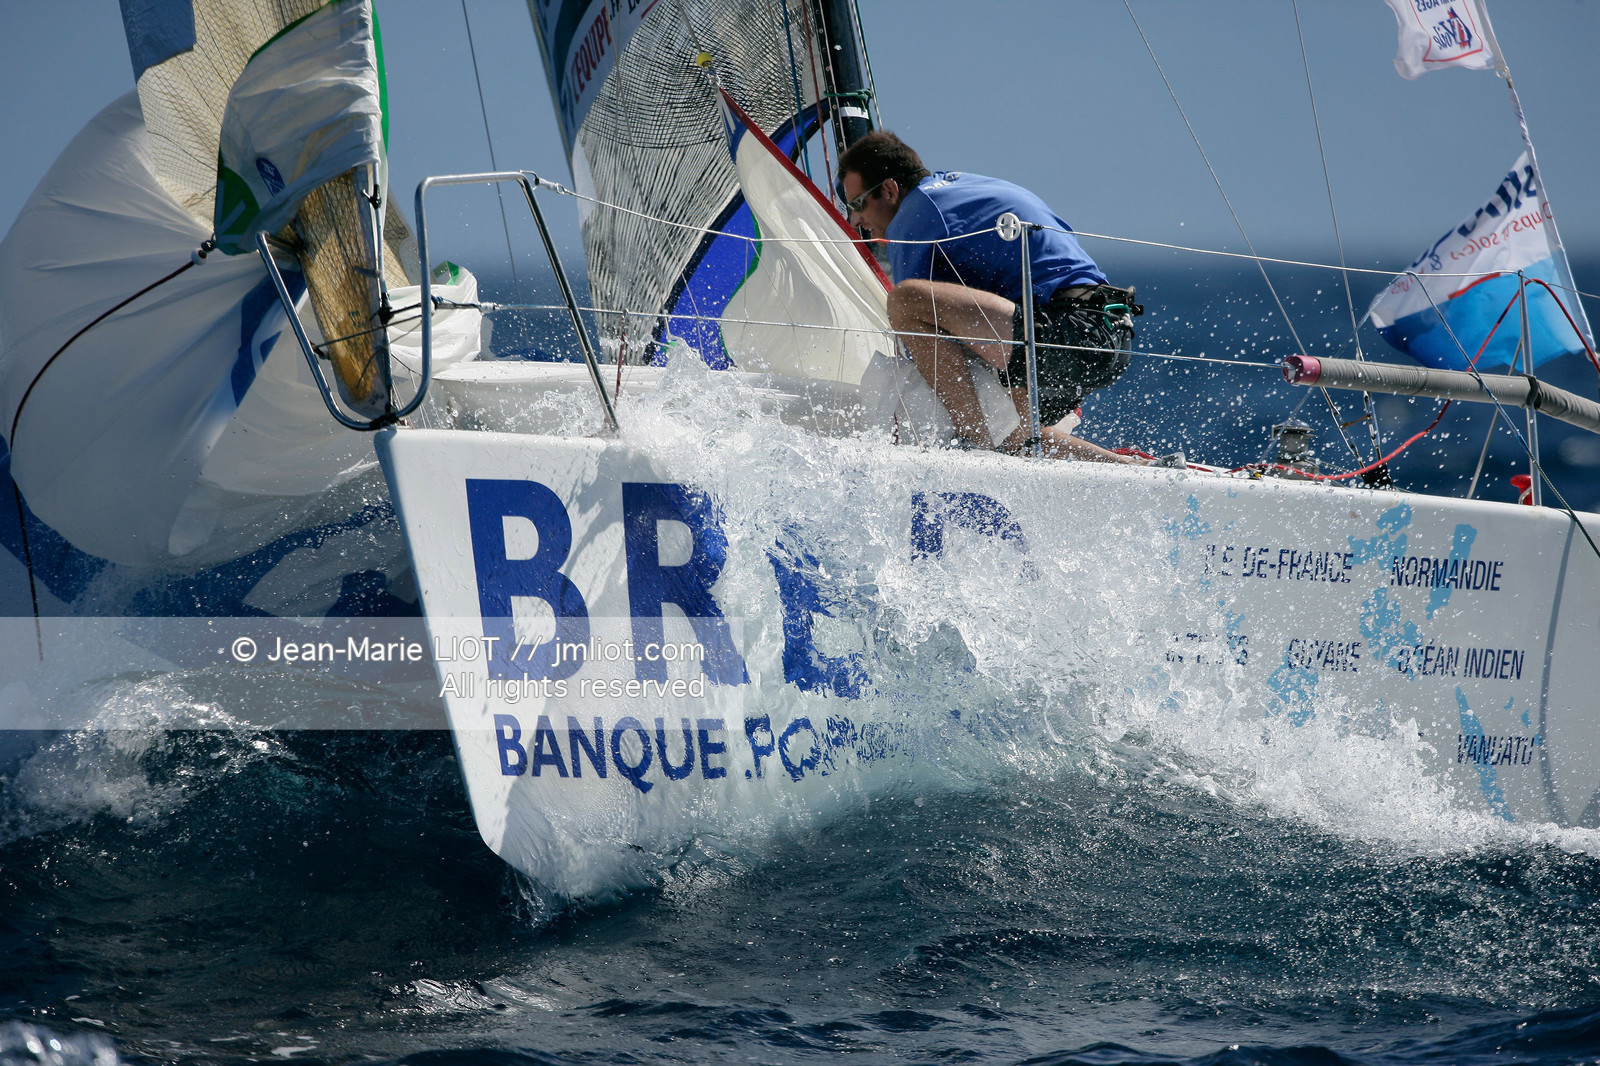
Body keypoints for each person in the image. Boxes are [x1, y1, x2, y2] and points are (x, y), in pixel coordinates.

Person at [837, 131, 1145, 463]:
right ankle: (1139, 470)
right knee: (1018, 438)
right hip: (1105, 332)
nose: (855, 220)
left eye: (857, 204)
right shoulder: (955, 191)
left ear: (889, 190)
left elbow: (916, 337)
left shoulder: (916, 211)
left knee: (905, 300)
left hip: (1071, 329)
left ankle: (974, 441)